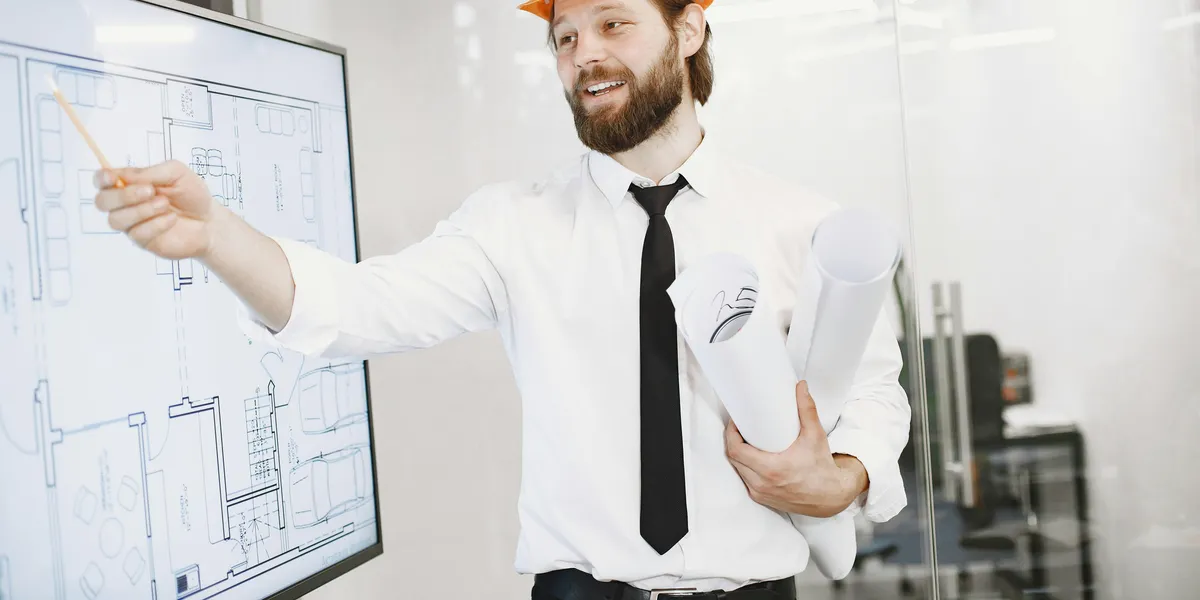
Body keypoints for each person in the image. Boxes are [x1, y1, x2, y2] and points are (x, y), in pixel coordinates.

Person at [91, 0, 911, 598]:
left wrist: (842, 478)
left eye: (613, 24)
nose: (583, 54)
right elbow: (358, 306)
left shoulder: (804, 224)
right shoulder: (512, 225)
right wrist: (216, 238)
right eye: (564, 37)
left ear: (689, 30)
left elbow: (875, 389)